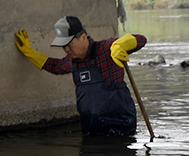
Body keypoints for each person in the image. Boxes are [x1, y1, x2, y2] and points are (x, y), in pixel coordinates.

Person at [14, 16, 146, 137]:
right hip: (91, 129)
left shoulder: (106, 49)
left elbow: (141, 39)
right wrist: (30, 52)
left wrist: (120, 45)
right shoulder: (73, 61)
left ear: (83, 37)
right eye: (63, 46)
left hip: (120, 130)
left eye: (69, 44)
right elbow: (55, 66)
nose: (66, 49)